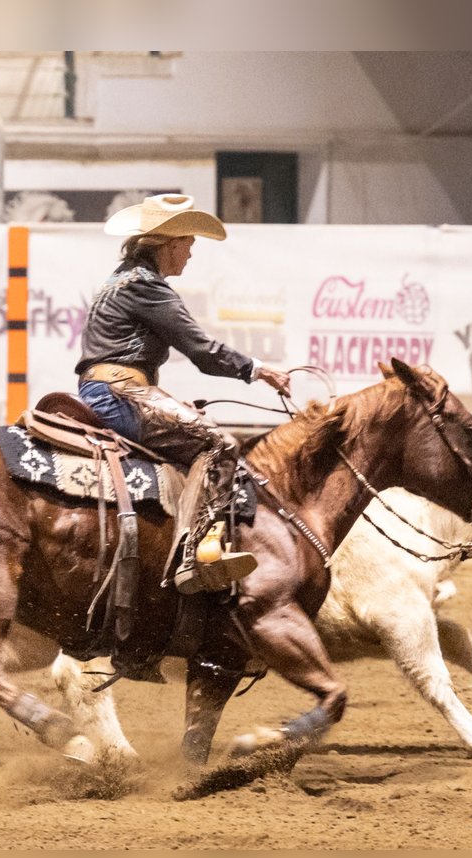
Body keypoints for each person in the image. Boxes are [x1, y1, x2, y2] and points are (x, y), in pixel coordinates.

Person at [76, 194, 292, 606]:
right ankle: (196, 555)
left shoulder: (121, 279)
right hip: (121, 392)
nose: (190, 256)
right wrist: (259, 370)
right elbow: (203, 351)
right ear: (170, 245)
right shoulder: (146, 287)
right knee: (220, 444)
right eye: (189, 246)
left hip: (111, 388)